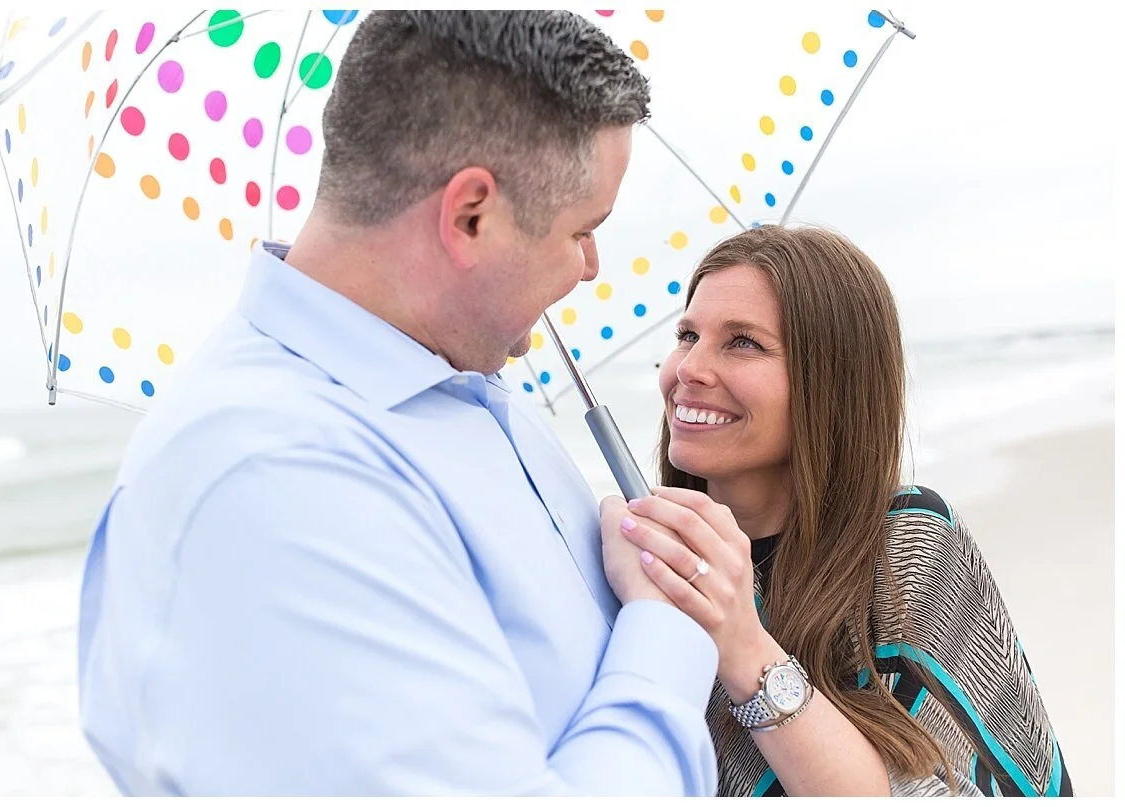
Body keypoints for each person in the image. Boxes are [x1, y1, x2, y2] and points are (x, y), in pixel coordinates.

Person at [76, 10, 722, 797]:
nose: (590, 266)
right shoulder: (274, 480)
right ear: (470, 216)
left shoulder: (468, 386)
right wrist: (669, 632)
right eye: (583, 231)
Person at [602, 225, 1073, 796]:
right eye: (687, 335)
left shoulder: (907, 546)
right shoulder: (640, 563)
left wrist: (744, 646)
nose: (687, 369)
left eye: (743, 342)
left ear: (832, 379)